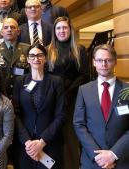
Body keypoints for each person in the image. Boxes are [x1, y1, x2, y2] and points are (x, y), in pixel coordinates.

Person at [74, 44, 129, 169]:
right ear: (94, 62)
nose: (103, 64)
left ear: (115, 62)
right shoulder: (84, 90)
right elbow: (79, 124)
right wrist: (98, 156)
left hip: (122, 161)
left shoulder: (127, 90)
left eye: (108, 60)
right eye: (99, 60)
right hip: (92, 162)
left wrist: (113, 154)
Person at [47, 16, 90, 169]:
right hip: (52, 100)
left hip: (74, 100)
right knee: (53, 136)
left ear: (70, 30)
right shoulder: (48, 50)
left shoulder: (80, 50)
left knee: (70, 137)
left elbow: (85, 75)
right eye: (58, 28)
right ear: (54, 31)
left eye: (65, 27)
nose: (62, 31)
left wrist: (68, 93)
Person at [13, 44, 65, 169]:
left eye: (40, 55)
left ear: (45, 58)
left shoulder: (56, 81)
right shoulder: (20, 82)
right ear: (27, 59)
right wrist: (27, 142)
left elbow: (61, 115)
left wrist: (42, 142)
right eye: (32, 56)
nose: (36, 58)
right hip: (25, 144)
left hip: (49, 142)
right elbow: (15, 114)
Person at [0, 18, 30, 99]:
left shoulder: (27, 49)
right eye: (6, 27)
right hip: (0, 94)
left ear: (18, 32)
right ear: (1, 32)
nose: (9, 30)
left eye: (12, 27)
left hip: (22, 94)